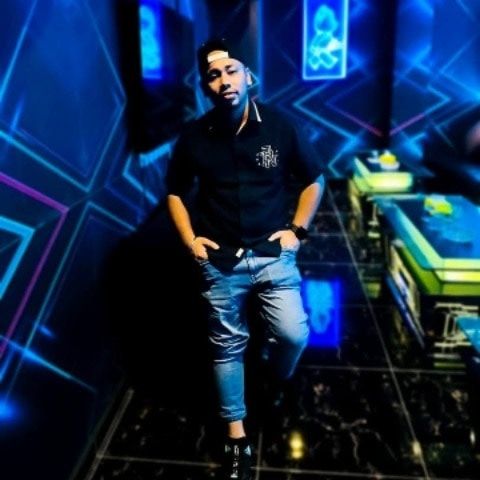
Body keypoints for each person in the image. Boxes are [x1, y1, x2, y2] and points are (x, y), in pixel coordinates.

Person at [166, 38, 325, 480]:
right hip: (220, 258)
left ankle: (275, 380)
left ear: (248, 77)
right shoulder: (194, 137)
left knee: (293, 335)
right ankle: (236, 437)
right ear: (206, 87)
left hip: (273, 253)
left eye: (231, 70)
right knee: (226, 346)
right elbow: (175, 191)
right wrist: (190, 241)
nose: (224, 81)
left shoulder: (280, 126)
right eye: (214, 76)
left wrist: (297, 231)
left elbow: (314, 179)